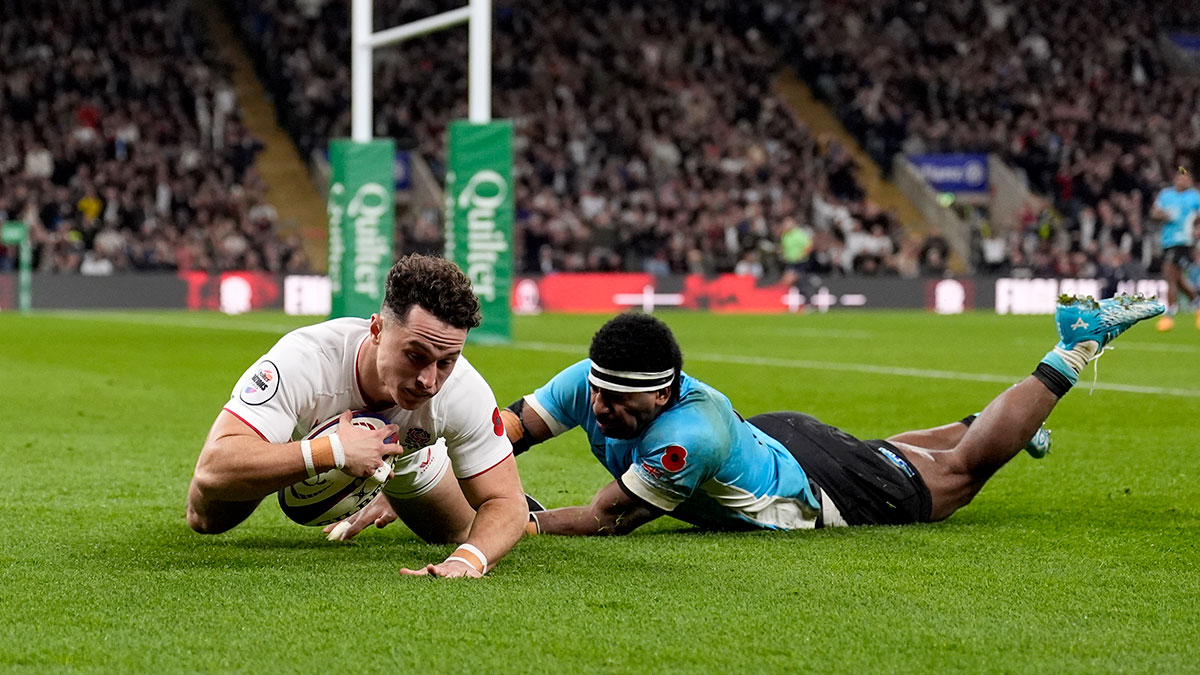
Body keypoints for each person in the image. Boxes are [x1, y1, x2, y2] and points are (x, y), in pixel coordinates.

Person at [500, 297, 1162, 536]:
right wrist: (456, 459)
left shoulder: (685, 439)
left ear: (663, 395)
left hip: (813, 487)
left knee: (957, 477)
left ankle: (1072, 348)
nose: (600, 408)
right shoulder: (592, 377)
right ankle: (995, 418)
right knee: (883, 451)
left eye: (620, 402)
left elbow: (607, 518)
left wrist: (516, 519)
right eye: (597, 392)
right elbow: (511, 426)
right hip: (774, 438)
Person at [186, 254, 528, 578]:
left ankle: (386, 488)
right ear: (376, 331)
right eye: (415, 355)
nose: (429, 380)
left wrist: (467, 561)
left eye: (446, 362)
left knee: (457, 532)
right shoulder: (305, 359)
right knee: (207, 520)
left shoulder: (464, 390)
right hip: (297, 439)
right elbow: (212, 469)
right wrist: (332, 451)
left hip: (409, 456)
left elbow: (507, 502)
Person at [1149, 166, 1200, 331]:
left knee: (1169, 273)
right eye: (1179, 177)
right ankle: (1198, 304)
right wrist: (1164, 215)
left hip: (1184, 241)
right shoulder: (1166, 195)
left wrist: (1197, 229)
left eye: (1185, 178)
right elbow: (1154, 213)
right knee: (1177, 278)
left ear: (1190, 180)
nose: (1181, 180)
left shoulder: (1194, 197)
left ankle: (1169, 314)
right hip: (1167, 241)